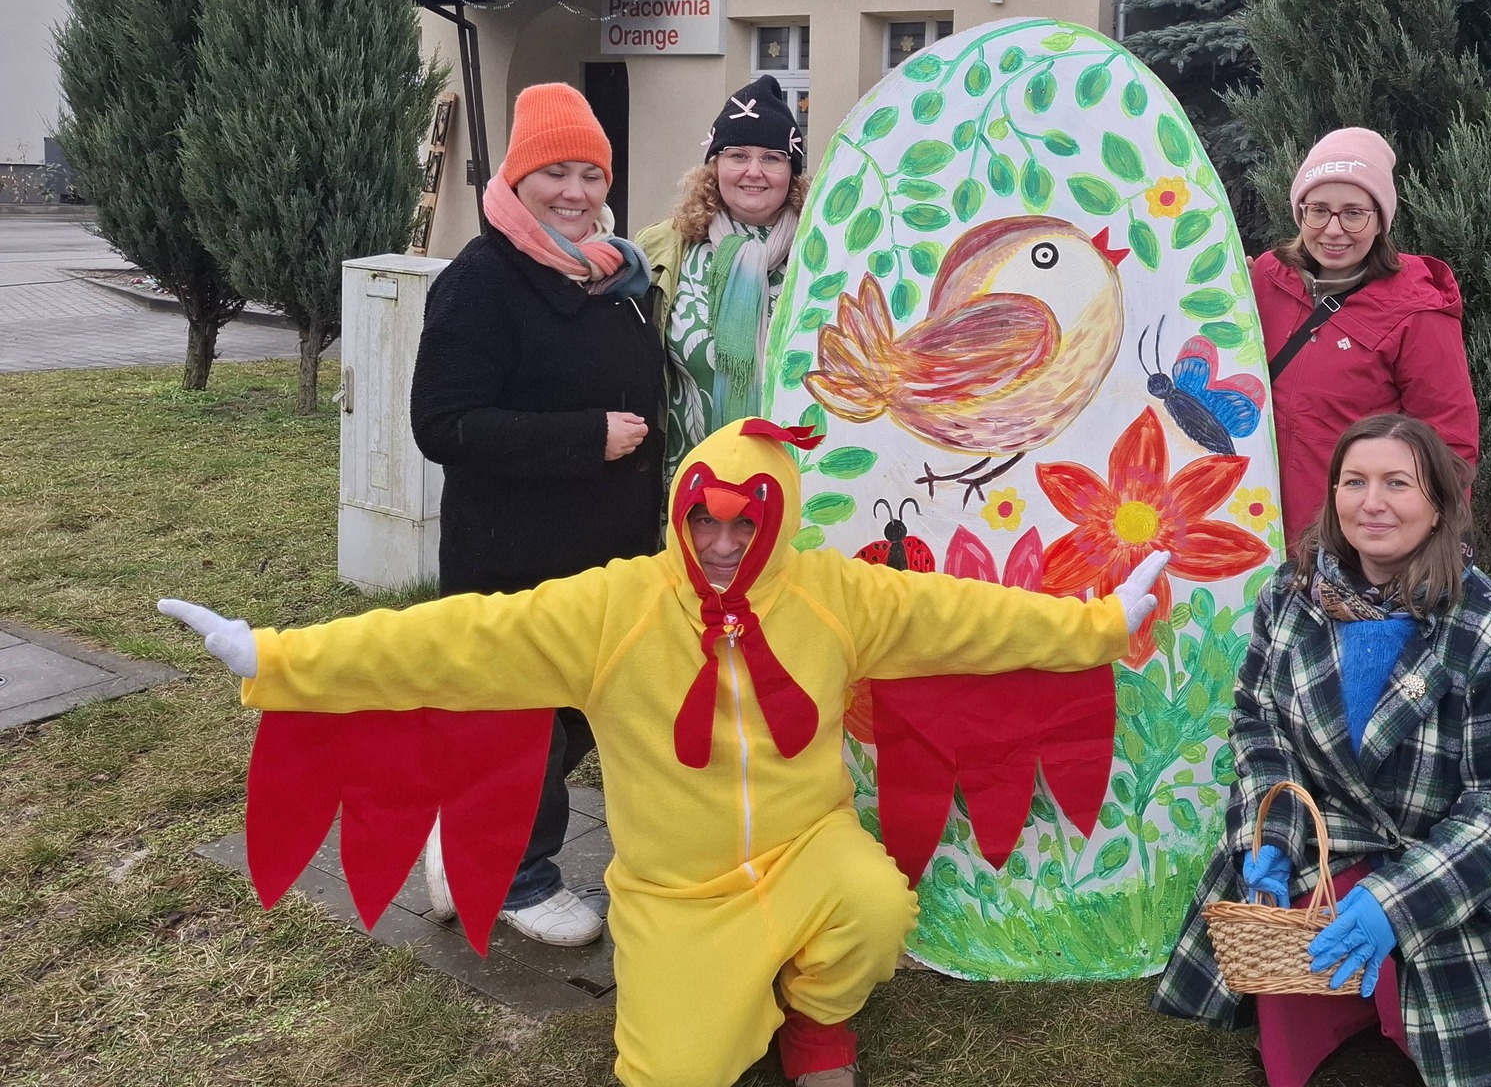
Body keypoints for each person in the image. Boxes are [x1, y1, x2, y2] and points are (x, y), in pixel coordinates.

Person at [160, 416, 1169, 1087]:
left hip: (806, 850)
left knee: (875, 910)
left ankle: (817, 1018)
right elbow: (453, 638)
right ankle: (730, 999)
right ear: (680, 511)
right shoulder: (615, 609)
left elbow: (969, 617)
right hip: (677, 892)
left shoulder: (836, 595)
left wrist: (1096, 625)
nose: (721, 543)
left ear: (776, 521)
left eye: (744, 524)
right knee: (677, 1076)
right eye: (702, 520)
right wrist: (277, 657)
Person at [1153, 414, 1491, 1087]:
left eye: (1398, 483)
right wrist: (1272, 839)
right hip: (1335, 832)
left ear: (1438, 507)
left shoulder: (1490, 628)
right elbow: (1261, 721)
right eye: (1354, 481)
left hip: (1463, 851)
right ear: (1333, 495)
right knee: (1293, 982)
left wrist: (1397, 903)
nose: (1372, 502)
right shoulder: (1292, 595)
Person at [409, 81, 662, 947]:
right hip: (515, 554)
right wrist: (583, 436)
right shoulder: (484, 281)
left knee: (580, 716)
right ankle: (515, 879)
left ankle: (469, 833)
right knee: (524, 721)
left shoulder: (616, 275)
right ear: (515, 182)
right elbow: (442, 423)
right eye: (553, 173)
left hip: (611, 552)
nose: (575, 193)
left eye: (590, 173)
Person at [1253, 128, 1480, 545]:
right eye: (1317, 209)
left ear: (1380, 220)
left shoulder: (1416, 311)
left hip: (1348, 541)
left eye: (1354, 212)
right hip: (1249, 521)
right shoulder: (1264, 279)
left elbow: (1449, 440)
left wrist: (1432, 543)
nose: (1333, 229)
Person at [639, 75, 807, 485]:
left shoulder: (821, 250)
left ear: (792, 169)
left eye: (772, 157)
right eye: (737, 155)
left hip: (794, 482)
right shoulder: (664, 247)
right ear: (715, 165)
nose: (754, 172)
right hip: (688, 481)